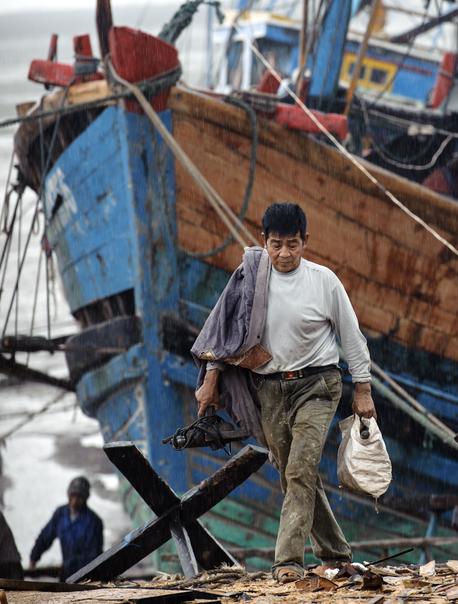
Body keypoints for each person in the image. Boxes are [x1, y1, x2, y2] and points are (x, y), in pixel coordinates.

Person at [192, 202, 375, 583]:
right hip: (270, 390)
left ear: (306, 241)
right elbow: (224, 332)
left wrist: (363, 389)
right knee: (295, 473)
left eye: (293, 244)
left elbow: (352, 338)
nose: (285, 254)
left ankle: (287, 561)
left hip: (317, 386)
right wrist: (210, 380)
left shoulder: (324, 282)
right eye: (276, 245)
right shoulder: (252, 279)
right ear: (264, 241)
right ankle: (336, 553)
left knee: (300, 469)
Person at [29, 476, 103, 581]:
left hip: (86, 577)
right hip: (66, 575)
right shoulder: (60, 514)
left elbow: (93, 556)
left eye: (79, 497)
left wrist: (70, 565)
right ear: (68, 495)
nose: (74, 501)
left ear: (85, 498)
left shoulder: (94, 522)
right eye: (72, 496)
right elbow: (45, 537)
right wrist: (33, 558)